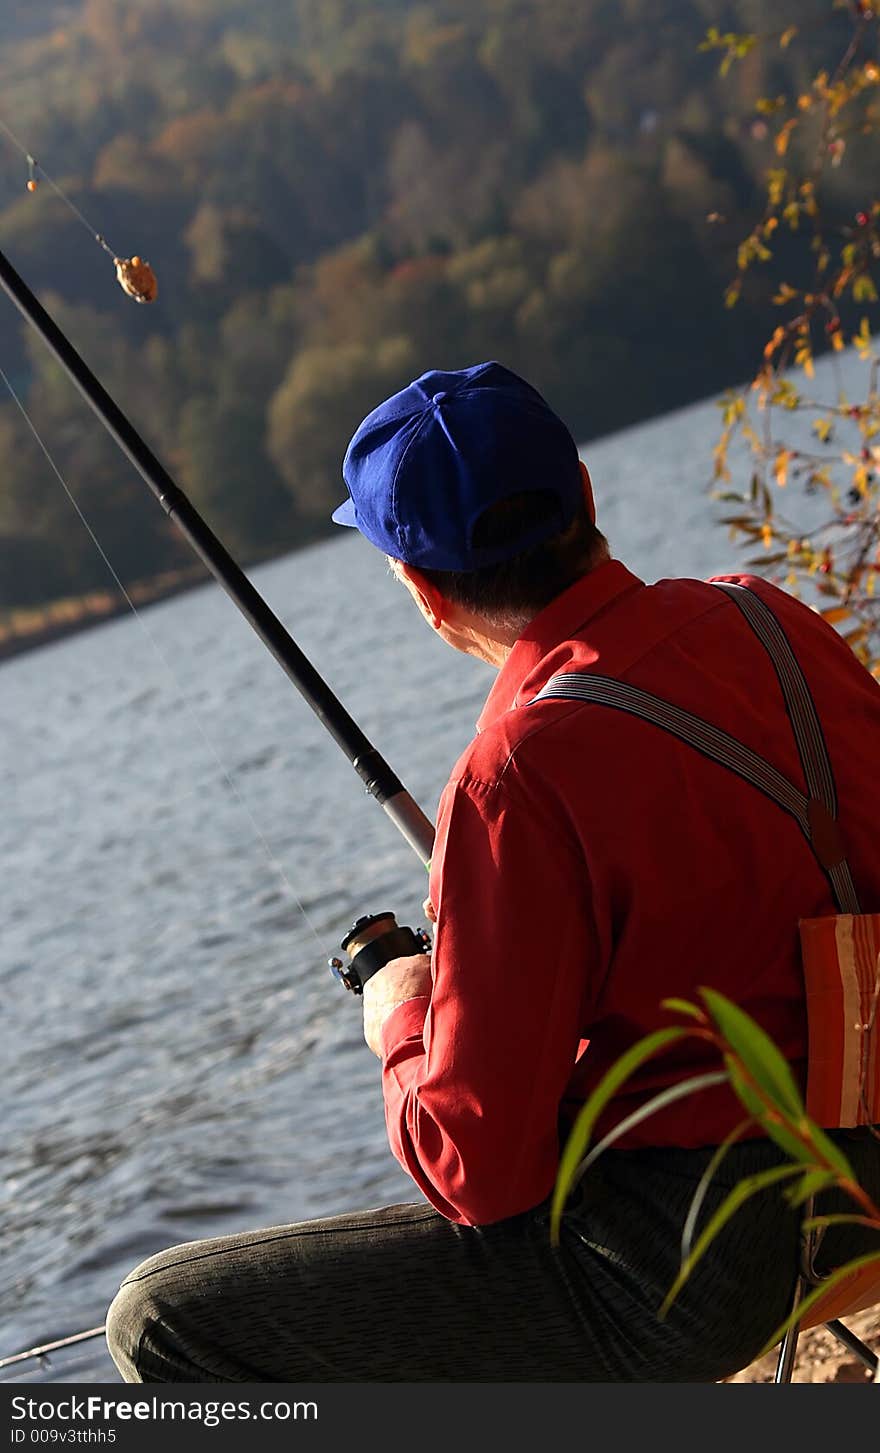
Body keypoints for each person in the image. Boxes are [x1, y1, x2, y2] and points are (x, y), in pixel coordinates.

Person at [106, 361, 880, 1383]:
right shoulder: (767, 619)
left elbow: (475, 1172)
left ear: (424, 594)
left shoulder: (512, 777)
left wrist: (400, 1012)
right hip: (864, 1169)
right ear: (587, 498)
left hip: (724, 1259)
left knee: (161, 1318)